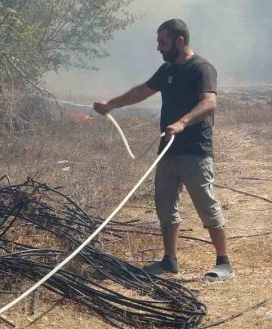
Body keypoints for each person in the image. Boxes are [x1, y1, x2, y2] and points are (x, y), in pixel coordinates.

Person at [93, 18, 234, 282]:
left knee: (206, 205)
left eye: (163, 42)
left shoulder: (201, 68)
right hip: (168, 151)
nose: (159, 47)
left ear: (180, 42)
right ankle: (169, 261)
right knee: (165, 207)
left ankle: (224, 263)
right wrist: (110, 104)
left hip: (195, 151)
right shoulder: (167, 69)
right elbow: (142, 91)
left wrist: (182, 123)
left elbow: (209, 103)